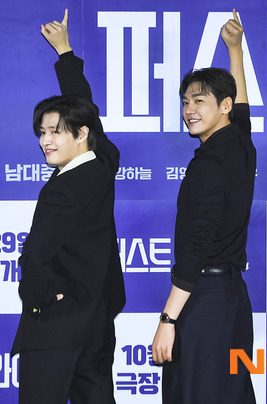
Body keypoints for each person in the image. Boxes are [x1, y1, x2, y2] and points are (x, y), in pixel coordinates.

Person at [11, 9, 126, 404]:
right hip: (97, 323)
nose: (46, 141)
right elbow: (85, 108)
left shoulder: (61, 190)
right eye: (42, 132)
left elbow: (34, 256)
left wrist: (41, 301)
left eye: (56, 132)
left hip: (55, 328)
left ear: (80, 135)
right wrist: (65, 54)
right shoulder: (104, 162)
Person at [151, 9, 256, 404]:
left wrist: (168, 319)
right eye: (185, 102)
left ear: (223, 106)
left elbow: (196, 246)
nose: (189, 110)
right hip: (232, 300)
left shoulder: (210, 163)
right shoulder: (240, 144)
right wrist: (235, 50)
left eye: (199, 101)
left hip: (204, 300)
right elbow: (242, 110)